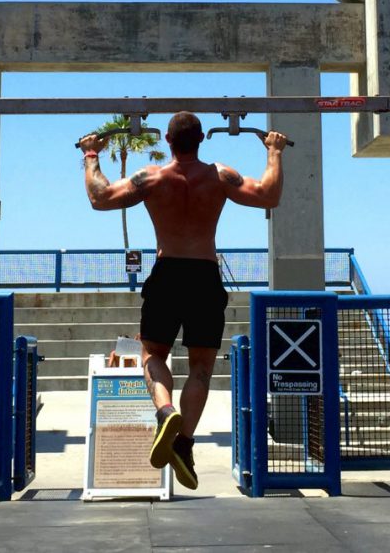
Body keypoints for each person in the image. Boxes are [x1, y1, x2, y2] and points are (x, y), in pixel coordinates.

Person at [78, 111, 287, 490]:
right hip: (204, 276)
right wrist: (274, 151)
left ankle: (166, 411)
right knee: (202, 369)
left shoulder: (153, 177)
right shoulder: (219, 176)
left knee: (153, 356)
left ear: (168, 142)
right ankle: (184, 443)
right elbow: (269, 195)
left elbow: (100, 197)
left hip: (168, 273)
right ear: (202, 139)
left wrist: (91, 155)